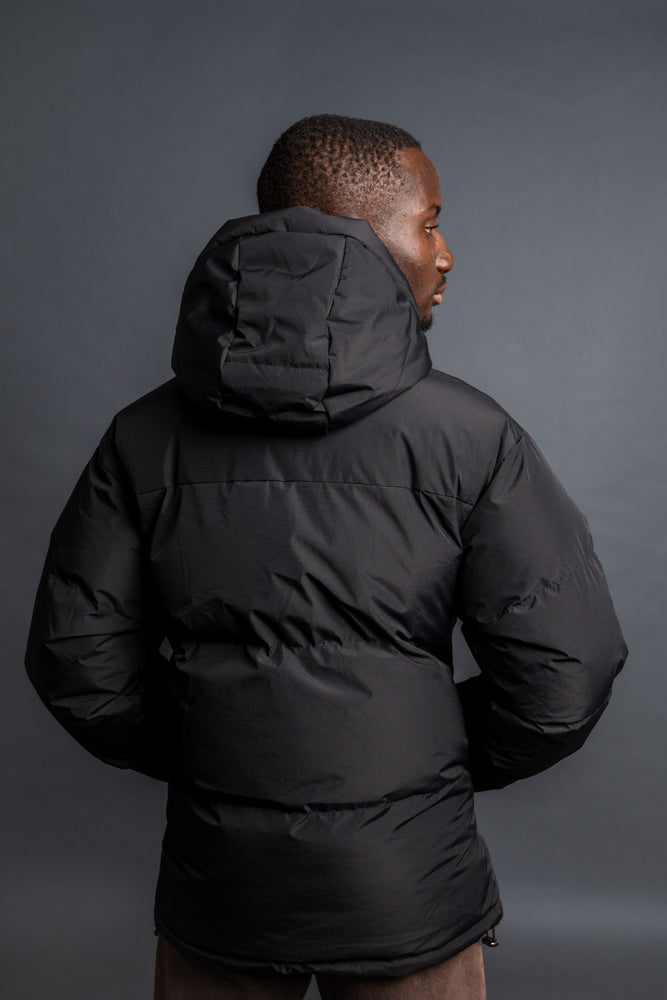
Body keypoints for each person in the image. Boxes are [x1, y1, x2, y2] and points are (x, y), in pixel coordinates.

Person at [25, 114, 628, 1000]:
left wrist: (224, 748)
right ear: (365, 234)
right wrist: (419, 760)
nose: (446, 254)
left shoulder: (143, 437)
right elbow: (563, 676)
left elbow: (77, 661)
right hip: (409, 894)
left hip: (221, 894)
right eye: (428, 223)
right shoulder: (470, 435)